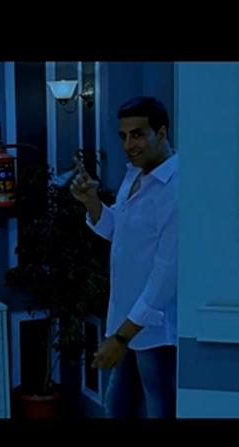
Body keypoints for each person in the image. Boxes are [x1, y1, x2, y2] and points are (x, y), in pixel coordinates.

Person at [70, 96, 178, 418]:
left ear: (162, 132)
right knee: (118, 408)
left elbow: (166, 275)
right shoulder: (135, 174)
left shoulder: (176, 188)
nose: (129, 145)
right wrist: (91, 201)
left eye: (138, 134)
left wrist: (121, 337)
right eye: (124, 136)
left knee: (159, 410)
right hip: (126, 320)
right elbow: (118, 231)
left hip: (155, 330)